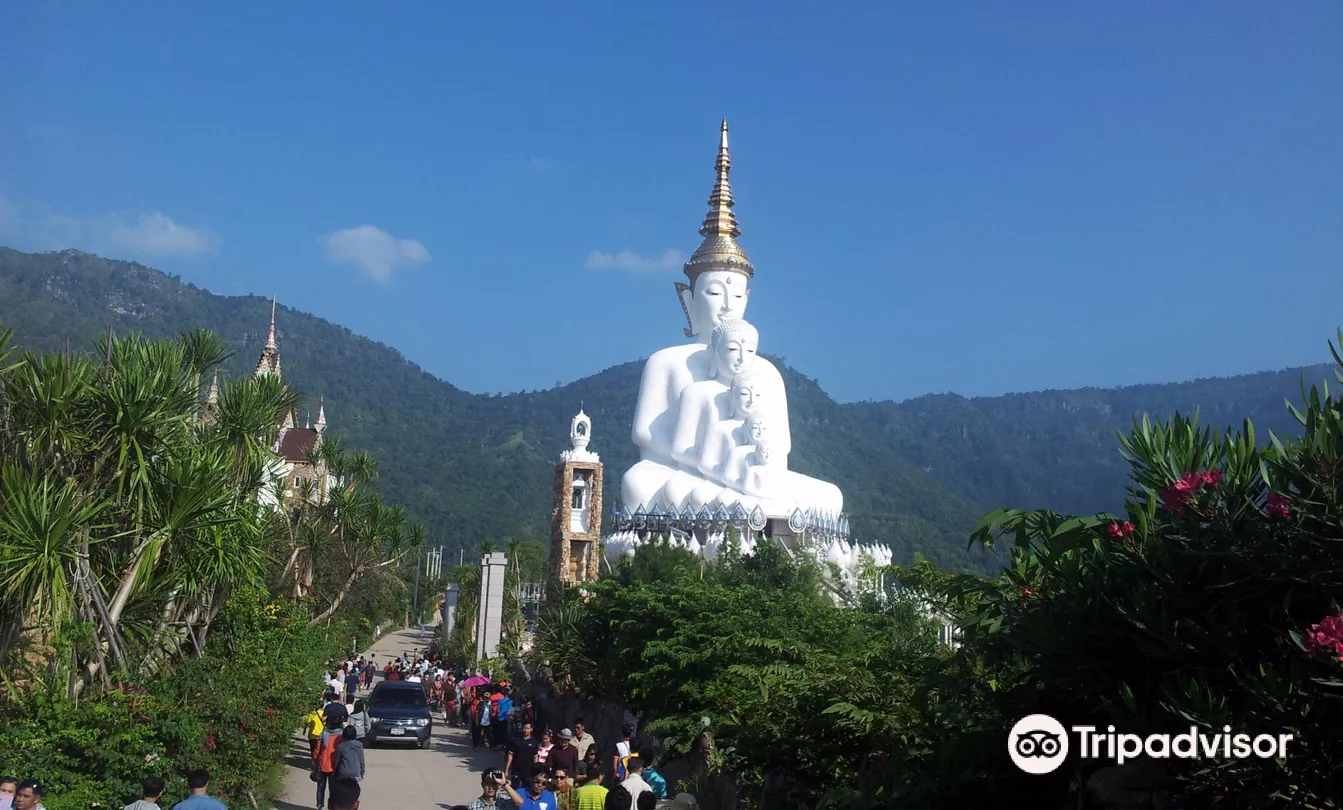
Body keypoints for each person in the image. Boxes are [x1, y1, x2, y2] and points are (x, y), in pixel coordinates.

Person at [314, 720, 344, 810]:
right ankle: (332, 806)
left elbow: (317, 748)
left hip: (322, 764)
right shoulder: (341, 736)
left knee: (320, 787)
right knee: (333, 788)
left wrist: (315, 758)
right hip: (334, 765)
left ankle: (320, 805)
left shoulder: (323, 734)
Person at [504, 721, 540, 790]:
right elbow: (510, 755)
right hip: (516, 771)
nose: (525, 730)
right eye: (524, 728)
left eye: (527, 728)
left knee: (527, 792)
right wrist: (506, 770)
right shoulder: (515, 740)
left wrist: (536, 772)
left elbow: (535, 758)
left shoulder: (534, 742)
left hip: (528, 772)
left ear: (531, 729)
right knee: (515, 790)